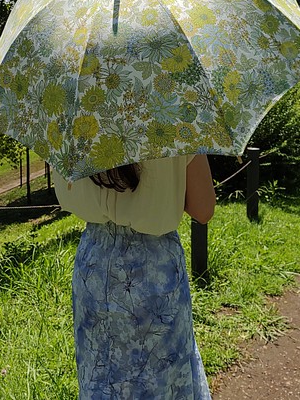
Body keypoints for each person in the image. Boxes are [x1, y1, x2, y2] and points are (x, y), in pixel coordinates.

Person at [53, 154, 216, 399]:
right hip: (155, 271)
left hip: (95, 265)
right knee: (161, 381)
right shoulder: (178, 120)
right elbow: (203, 209)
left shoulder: (73, 118)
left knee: (100, 374)